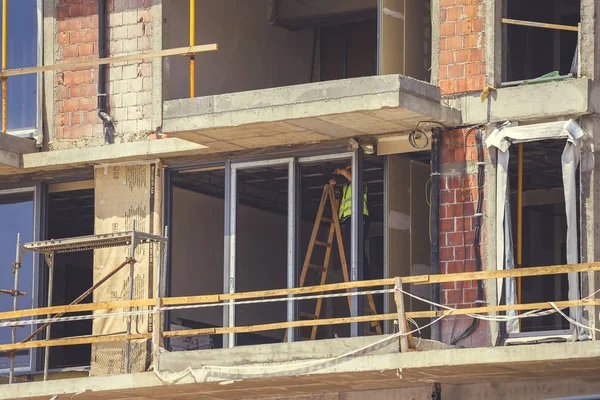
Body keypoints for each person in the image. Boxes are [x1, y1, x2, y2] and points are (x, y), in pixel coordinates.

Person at [329, 166, 370, 280]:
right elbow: (339, 196)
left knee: (357, 246)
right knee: (353, 247)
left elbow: (352, 178)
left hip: (359, 217)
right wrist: (333, 186)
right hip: (349, 219)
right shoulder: (347, 187)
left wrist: (339, 171)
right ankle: (357, 274)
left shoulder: (361, 184)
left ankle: (363, 275)